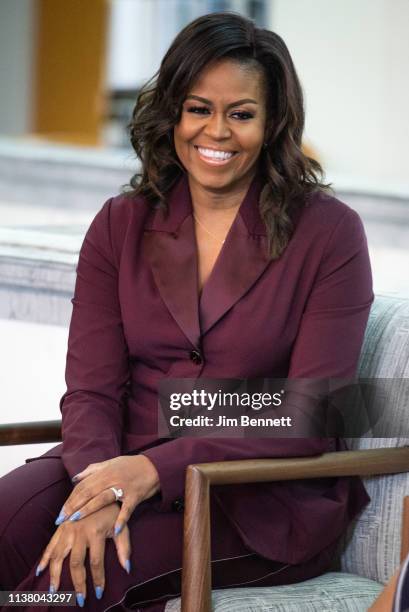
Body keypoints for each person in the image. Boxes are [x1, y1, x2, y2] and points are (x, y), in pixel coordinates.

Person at [0, 11, 374, 612]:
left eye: (242, 114)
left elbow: (311, 408)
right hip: (111, 456)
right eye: (199, 108)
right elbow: (92, 390)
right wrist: (101, 488)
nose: (217, 131)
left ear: (273, 122)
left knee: (55, 594)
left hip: (253, 498)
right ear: (172, 111)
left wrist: (152, 470)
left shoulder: (329, 234)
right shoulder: (120, 224)